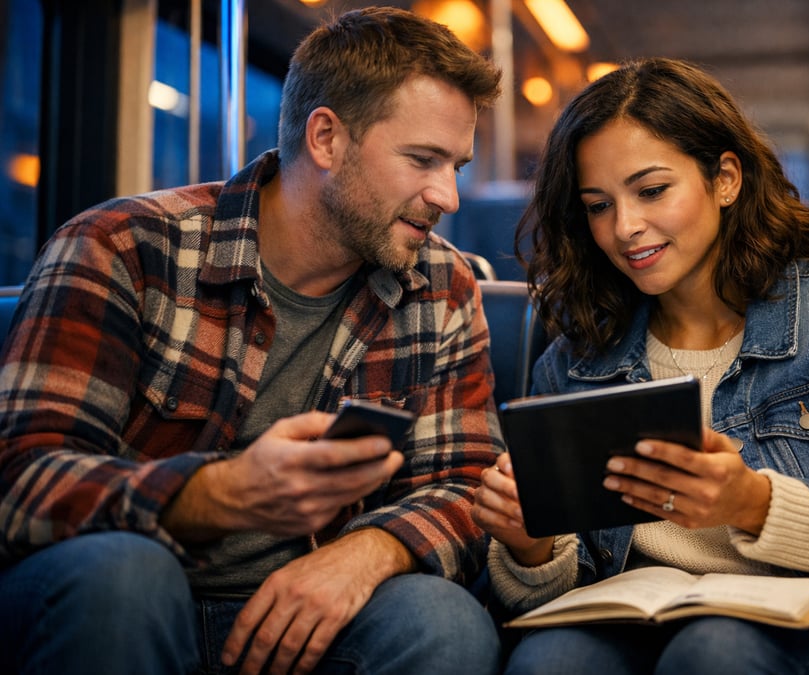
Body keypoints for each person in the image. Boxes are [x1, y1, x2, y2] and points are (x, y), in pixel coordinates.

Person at [0, 7, 504, 675]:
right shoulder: (121, 247)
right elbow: (20, 480)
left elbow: (464, 485)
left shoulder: (442, 284)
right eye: (423, 160)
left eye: (456, 165)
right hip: (129, 589)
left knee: (443, 621)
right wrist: (217, 494)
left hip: (309, 612)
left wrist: (368, 551)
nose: (448, 195)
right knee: (127, 577)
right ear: (325, 138)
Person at [471, 58, 809, 674]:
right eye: (597, 205)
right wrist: (533, 549)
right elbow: (572, 585)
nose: (624, 228)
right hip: (653, 626)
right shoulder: (576, 360)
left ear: (725, 179)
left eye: (651, 190)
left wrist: (757, 504)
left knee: (715, 650)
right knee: (551, 660)